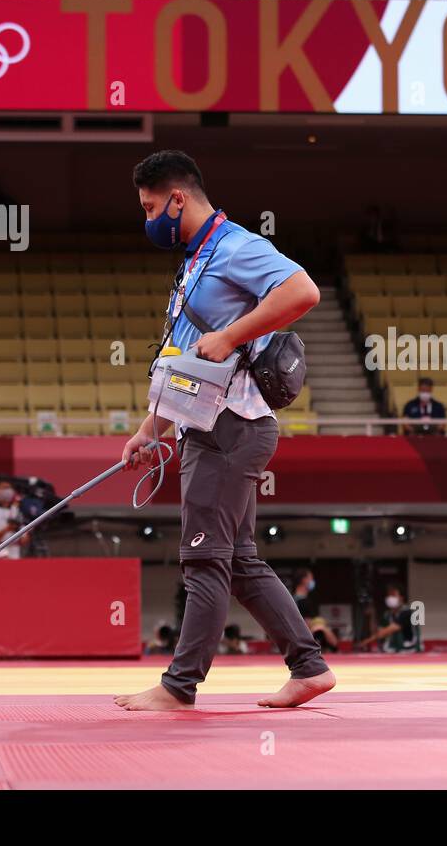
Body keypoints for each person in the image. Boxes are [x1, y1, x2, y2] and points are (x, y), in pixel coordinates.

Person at [116, 149, 335, 712]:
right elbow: (186, 364)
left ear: (177, 198)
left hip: (232, 429)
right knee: (237, 560)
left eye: (149, 207)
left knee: (203, 558)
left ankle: (178, 686)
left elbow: (303, 291)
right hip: (210, 425)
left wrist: (235, 334)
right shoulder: (196, 259)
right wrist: (151, 429)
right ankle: (308, 668)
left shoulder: (237, 245)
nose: (147, 220)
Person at [358, 585, 423, 653]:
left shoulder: (407, 613)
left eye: (393, 595)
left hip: (411, 650)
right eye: (389, 595)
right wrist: (372, 615)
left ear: (401, 597)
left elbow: (387, 631)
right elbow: (376, 632)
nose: (390, 598)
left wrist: (365, 642)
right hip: (394, 650)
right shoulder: (387, 615)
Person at [292, 567, 339, 653]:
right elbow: (303, 623)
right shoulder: (299, 601)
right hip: (303, 636)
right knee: (321, 628)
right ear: (304, 580)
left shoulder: (305, 600)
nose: (312, 581)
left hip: (312, 633)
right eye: (311, 578)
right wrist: (319, 626)